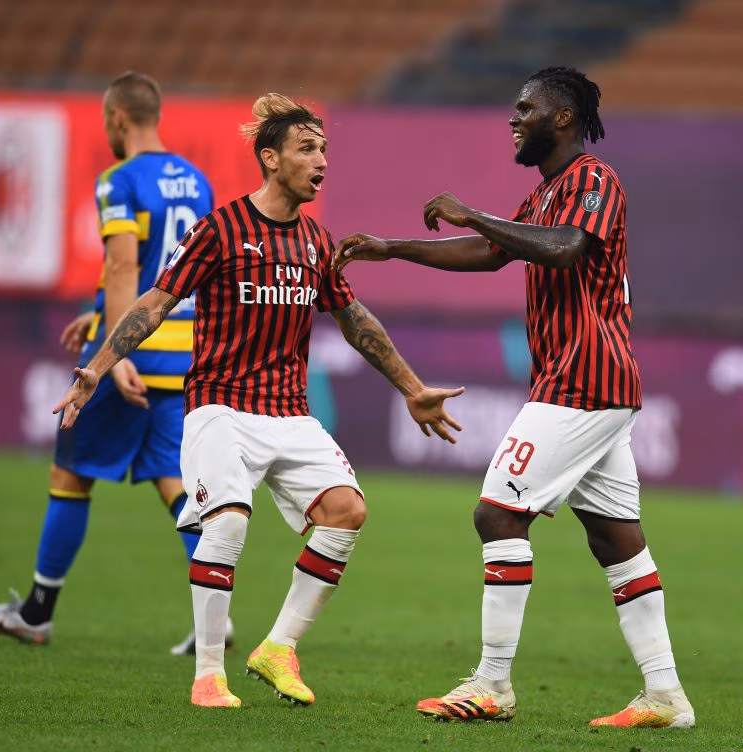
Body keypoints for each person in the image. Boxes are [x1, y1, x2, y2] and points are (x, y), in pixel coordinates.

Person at [53, 92, 464, 709]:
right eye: (307, 149)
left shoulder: (317, 241)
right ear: (270, 159)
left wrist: (412, 388)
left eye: (324, 149)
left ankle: (278, 648)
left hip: (289, 412)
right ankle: (208, 676)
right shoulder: (219, 230)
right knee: (228, 521)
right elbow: (156, 302)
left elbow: (354, 320)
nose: (321, 160)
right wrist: (98, 367)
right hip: (220, 408)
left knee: (347, 510)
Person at [336, 66, 694, 729]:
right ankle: (666, 694)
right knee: (616, 540)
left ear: (563, 118)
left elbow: (565, 249)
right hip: (588, 383)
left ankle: (492, 683)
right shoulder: (548, 192)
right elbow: (490, 251)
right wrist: (394, 248)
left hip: (584, 379)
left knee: (498, 515)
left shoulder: (594, 180)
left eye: (526, 108)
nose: (514, 118)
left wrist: (474, 211)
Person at [0, 71, 229, 655]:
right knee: (174, 482)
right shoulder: (197, 181)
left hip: (128, 352)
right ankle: (216, 616)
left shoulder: (118, 180)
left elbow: (123, 266)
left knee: (71, 475)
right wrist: (98, 310)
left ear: (116, 118)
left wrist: (113, 349)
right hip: (181, 353)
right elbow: (182, 268)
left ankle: (36, 614)